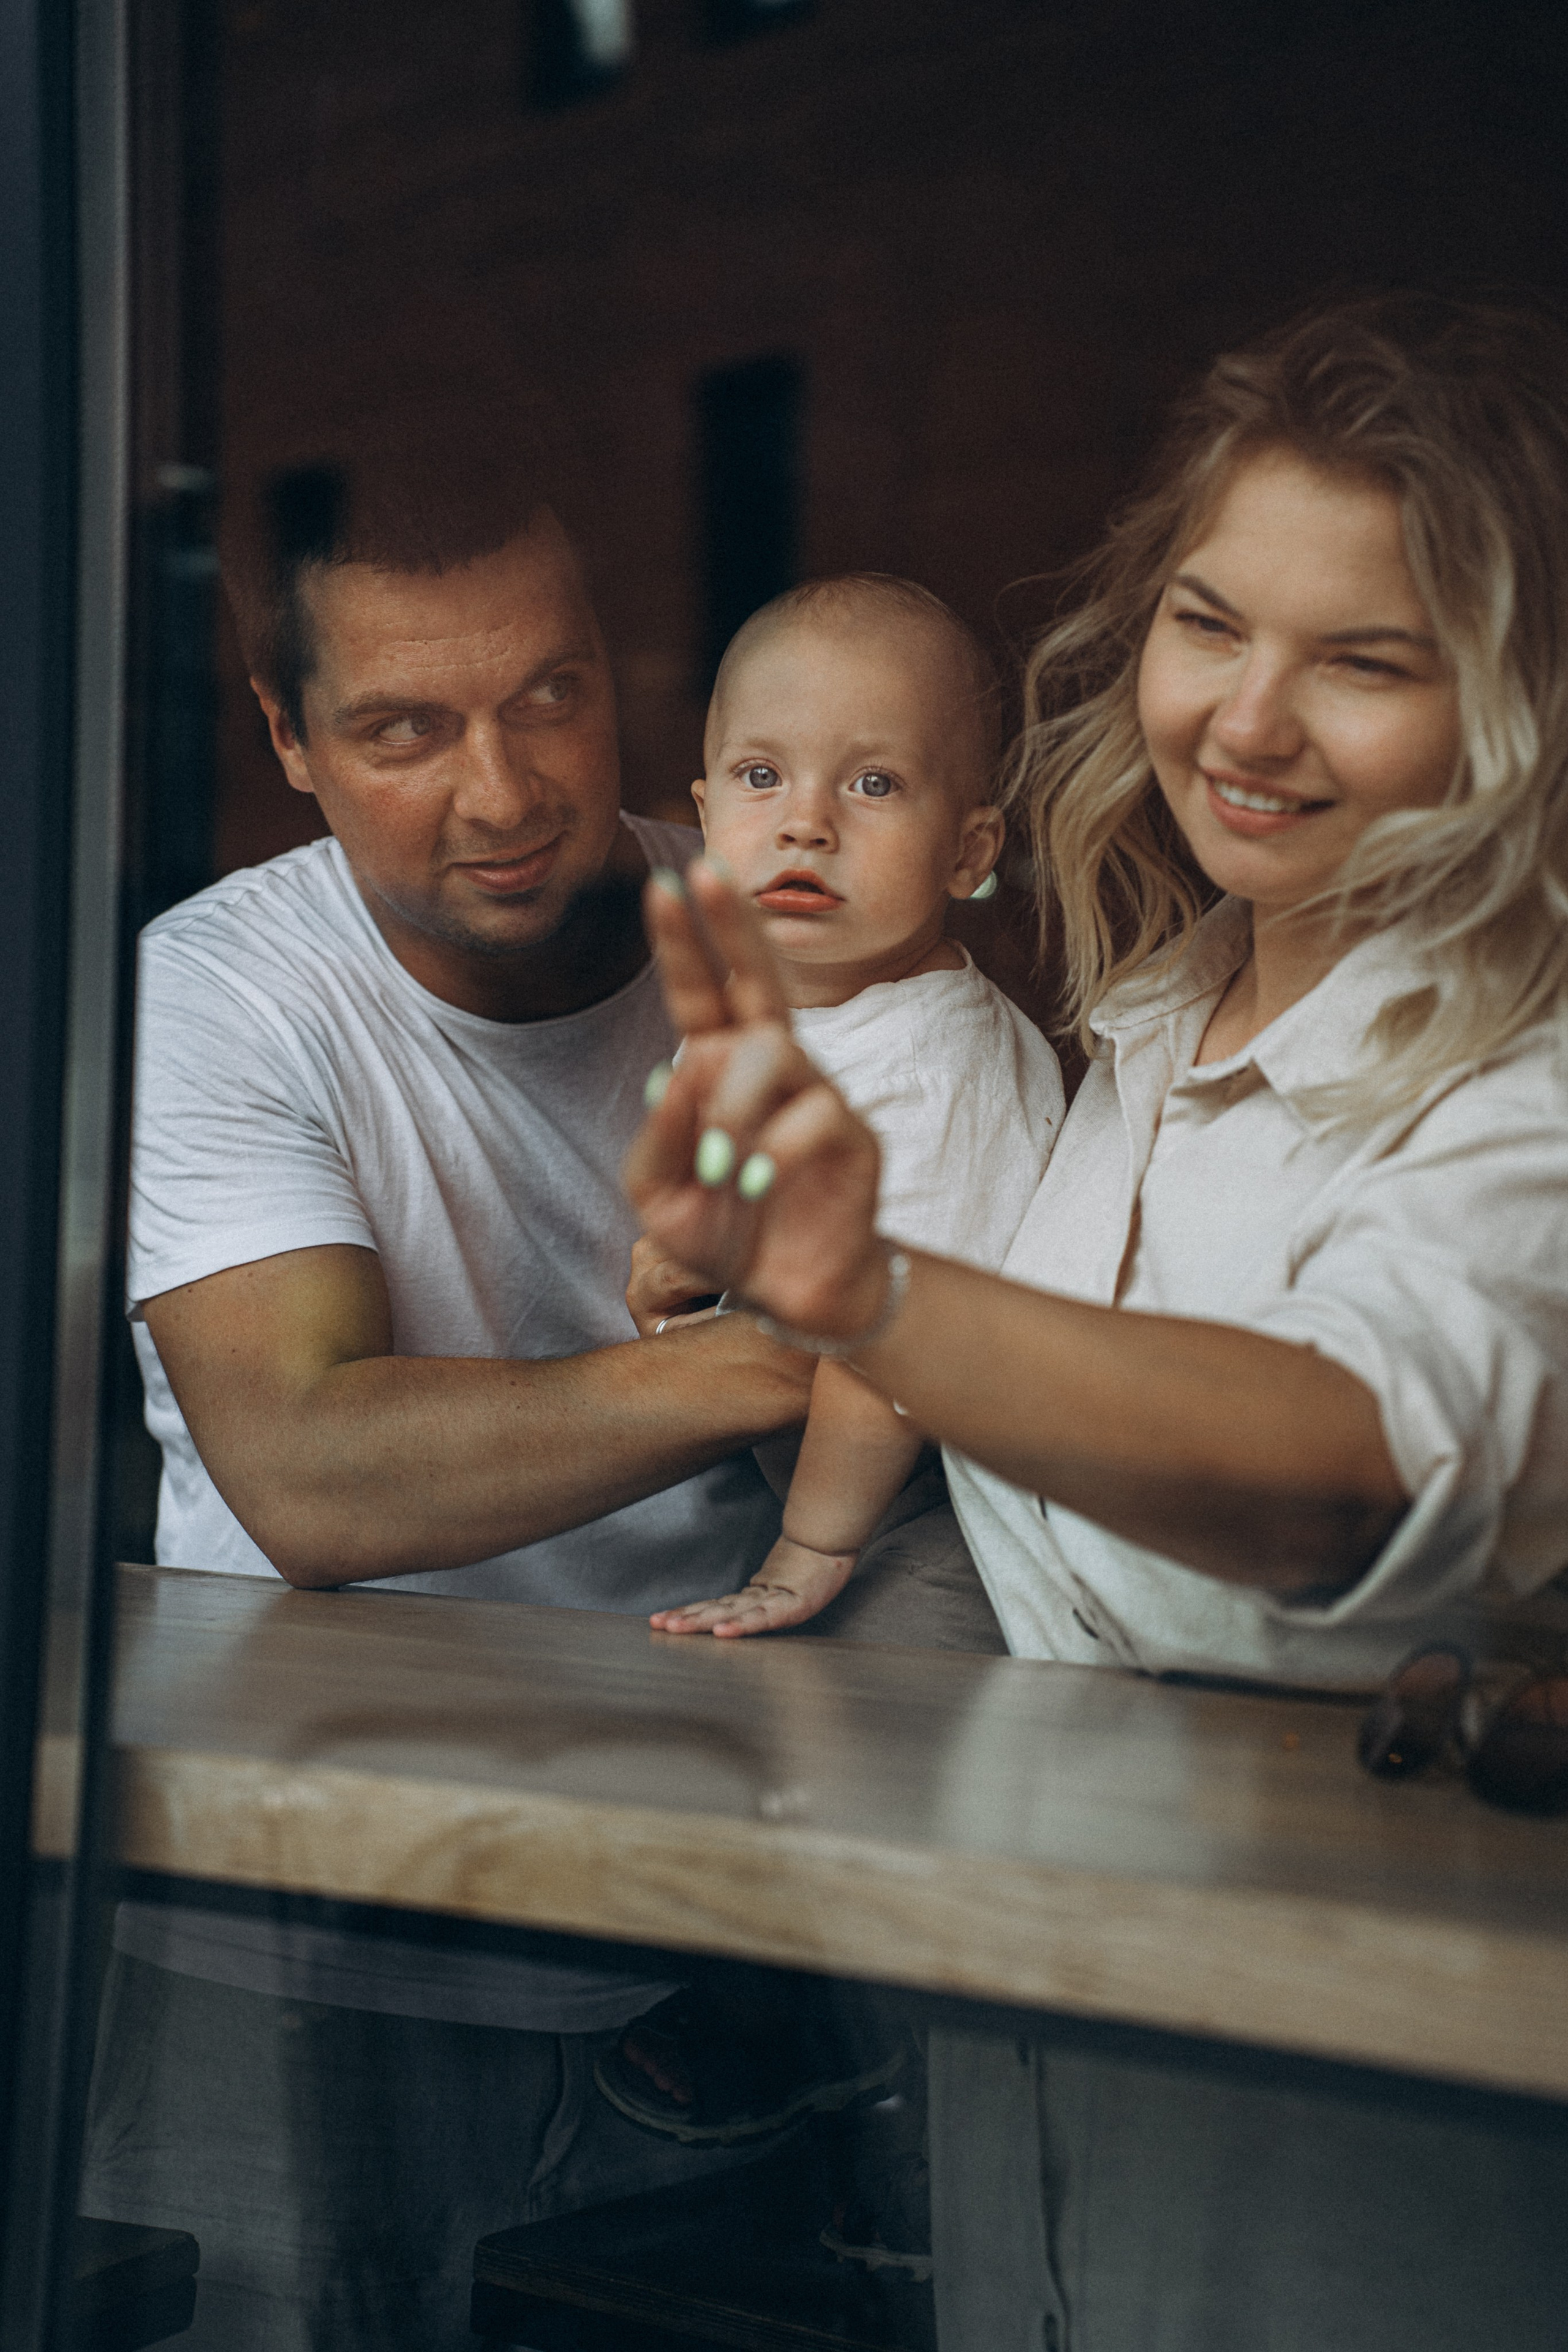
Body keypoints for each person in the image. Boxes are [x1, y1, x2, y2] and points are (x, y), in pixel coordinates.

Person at [624, 296, 1568, 2349]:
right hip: (1048, 2015)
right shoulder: (1140, 1015)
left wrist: (864, 1293)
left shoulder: (1531, 1078)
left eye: (1367, 663)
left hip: (1359, 2115)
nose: (1248, 720)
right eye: (1212, 624)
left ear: (1518, 710)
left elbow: (1344, 1476)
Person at [82, 434, 836, 2352]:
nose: (500, 793)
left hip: (712, 1949)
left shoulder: (780, 931)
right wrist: (789, 1355)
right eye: (409, 728)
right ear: (292, 737)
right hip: (306, 1935)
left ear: (617, 676)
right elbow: (313, 1476)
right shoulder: (223, 992)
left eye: (548, 700)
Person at [646, 574, 1063, 1643]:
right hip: (831, 1491)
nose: (806, 824)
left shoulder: (935, 1066)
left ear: (971, 852)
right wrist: (675, 1299)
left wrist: (809, 1551)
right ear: (702, 820)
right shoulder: (766, 1019)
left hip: (951, 1525)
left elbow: (890, 1350)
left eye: (873, 784)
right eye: (759, 776)